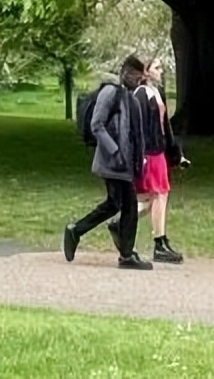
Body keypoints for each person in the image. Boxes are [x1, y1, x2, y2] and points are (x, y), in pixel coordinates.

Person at [62, 54, 152, 269]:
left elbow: (136, 132)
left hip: (126, 164)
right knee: (128, 206)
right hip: (112, 162)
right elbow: (97, 125)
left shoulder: (131, 98)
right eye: (134, 77)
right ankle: (126, 255)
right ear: (125, 74)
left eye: (140, 78)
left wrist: (139, 160)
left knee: (114, 204)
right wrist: (114, 151)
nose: (137, 82)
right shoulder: (111, 93)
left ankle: (76, 230)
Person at [128, 55, 187, 264]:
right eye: (157, 67)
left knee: (154, 198)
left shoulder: (156, 93)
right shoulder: (141, 95)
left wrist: (176, 154)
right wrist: (140, 157)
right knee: (157, 196)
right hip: (149, 154)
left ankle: (154, 239)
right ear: (146, 71)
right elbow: (137, 130)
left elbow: (165, 127)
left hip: (159, 152)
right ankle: (158, 242)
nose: (161, 71)